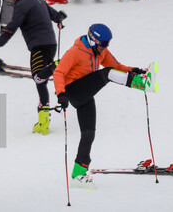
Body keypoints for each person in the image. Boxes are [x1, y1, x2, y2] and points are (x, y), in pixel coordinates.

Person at [53, 23, 152, 188]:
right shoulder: (75, 52)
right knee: (105, 75)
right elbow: (59, 72)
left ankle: (78, 173)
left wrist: (134, 70)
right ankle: (140, 84)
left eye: (108, 44)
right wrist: (61, 94)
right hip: (73, 90)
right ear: (93, 40)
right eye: (104, 44)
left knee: (89, 134)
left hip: (86, 94)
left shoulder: (101, 52)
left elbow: (116, 67)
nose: (106, 47)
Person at [0, 0, 66, 134]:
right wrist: (59, 18)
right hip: (50, 45)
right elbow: (54, 14)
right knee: (41, 82)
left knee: (38, 78)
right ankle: (43, 123)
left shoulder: (22, 4)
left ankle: (58, 65)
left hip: (39, 46)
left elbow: (10, 29)